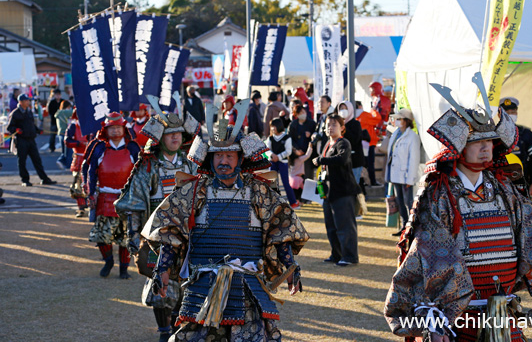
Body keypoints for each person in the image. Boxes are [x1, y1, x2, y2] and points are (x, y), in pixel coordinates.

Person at [384, 83, 532, 341]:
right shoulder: (439, 195)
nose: (486, 148)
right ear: (458, 147)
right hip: (458, 318)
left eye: (490, 142)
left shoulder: (505, 189)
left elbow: (529, 248)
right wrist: (434, 324)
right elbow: (426, 262)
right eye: (476, 142)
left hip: (504, 313)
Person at [141, 102, 309, 341]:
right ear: (209, 159)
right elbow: (170, 230)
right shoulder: (194, 190)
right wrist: (163, 269)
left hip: (248, 286)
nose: (223, 161)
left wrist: (290, 267)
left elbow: (279, 230)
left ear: (240, 158)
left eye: (229, 155)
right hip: (203, 286)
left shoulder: (259, 191)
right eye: (218, 155)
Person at [116, 103, 198, 342]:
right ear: (160, 138)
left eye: (178, 134)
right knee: (161, 285)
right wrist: (134, 237)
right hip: (156, 237)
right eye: (170, 134)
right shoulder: (148, 166)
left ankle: (177, 326)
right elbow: (134, 204)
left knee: (186, 284)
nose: (174, 138)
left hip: (188, 235)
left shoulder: (191, 164)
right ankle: (164, 331)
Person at [83, 112, 141, 279]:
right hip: (105, 197)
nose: (115, 131)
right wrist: (90, 192)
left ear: (124, 129)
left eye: (118, 128)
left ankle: (124, 269)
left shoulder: (133, 148)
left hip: (128, 198)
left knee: (126, 237)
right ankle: (108, 261)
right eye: (112, 128)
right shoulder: (98, 148)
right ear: (106, 130)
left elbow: (141, 172)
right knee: (101, 235)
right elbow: (91, 172)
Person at [313, 113, 361, 266]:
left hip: (343, 191)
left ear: (342, 128)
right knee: (331, 226)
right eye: (328, 125)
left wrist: (321, 159)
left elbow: (341, 159)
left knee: (345, 226)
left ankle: (350, 257)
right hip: (329, 191)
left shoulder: (343, 143)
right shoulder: (328, 144)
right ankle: (336, 254)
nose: (330, 127)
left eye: (334, 125)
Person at [383, 109, 420, 236]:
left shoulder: (412, 137)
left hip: (405, 175)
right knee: (400, 202)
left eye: (400, 119)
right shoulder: (396, 134)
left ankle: (412, 228)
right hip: (395, 174)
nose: (397, 121)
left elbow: (413, 159)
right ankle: (405, 227)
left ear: (406, 121)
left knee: (408, 203)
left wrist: (410, 179)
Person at [7, 94, 56, 187]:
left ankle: (44, 178)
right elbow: (10, 127)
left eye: (28, 100)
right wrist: (16, 129)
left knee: (37, 160)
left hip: (31, 140)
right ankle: (25, 180)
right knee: (22, 161)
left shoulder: (29, 112)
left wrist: (38, 130)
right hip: (22, 140)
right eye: (26, 100)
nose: (28, 102)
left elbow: (31, 125)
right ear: (20, 102)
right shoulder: (15, 113)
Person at [500, 97, 532, 197]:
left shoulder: (525, 134)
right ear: (500, 114)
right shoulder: (493, 135)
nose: (510, 114)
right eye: (507, 112)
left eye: (513, 111)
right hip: (500, 186)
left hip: (522, 185)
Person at [266, 118, 301, 209]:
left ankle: (293, 202)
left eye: (274, 126)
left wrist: (279, 157)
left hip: (283, 163)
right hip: (273, 162)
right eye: (271, 127)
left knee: (285, 183)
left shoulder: (287, 137)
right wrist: (272, 155)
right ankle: (273, 202)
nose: (273, 128)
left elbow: (288, 151)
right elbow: (266, 149)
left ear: (279, 126)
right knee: (272, 182)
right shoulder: (270, 138)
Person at [65, 109, 92, 218]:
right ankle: (81, 208)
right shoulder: (73, 126)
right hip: (79, 157)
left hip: (90, 158)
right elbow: (67, 141)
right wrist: (78, 143)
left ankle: (92, 207)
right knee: (77, 184)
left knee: (92, 183)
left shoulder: (92, 126)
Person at [356, 101, 382, 186]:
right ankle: (373, 182)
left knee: (361, 164)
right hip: (369, 143)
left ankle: (362, 181)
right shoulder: (365, 115)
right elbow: (377, 119)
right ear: (360, 106)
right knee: (370, 164)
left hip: (359, 143)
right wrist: (373, 110)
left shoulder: (354, 117)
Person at [55, 100, 74, 169]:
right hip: (65, 134)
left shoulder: (59, 113)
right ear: (67, 106)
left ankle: (60, 161)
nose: (70, 108)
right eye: (69, 107)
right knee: (69, 152)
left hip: (60, 133)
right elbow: (74, 112)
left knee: (65, 151)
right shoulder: (64, 112)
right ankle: (68, 166)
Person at [46, 88, 64, 153]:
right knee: (52, 135)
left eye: (59, 94)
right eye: (56, 95)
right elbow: (49, 111)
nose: (58, 96)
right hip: (54, 121)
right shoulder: (52, 102)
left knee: (62, 135)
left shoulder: (63, 101)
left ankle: (64, 148)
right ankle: (51, 147)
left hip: (62, 122)